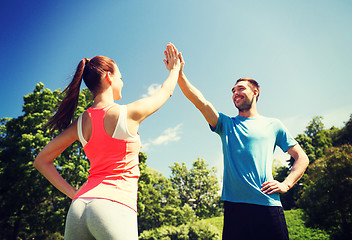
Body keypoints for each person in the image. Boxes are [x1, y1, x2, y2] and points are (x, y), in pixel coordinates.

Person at [33, 43, 181, 239]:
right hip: (113, 206)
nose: (122, 82)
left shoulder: (80, 123)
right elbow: (165, 92)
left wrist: (76, 194)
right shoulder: (127, 114)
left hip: (78, 209)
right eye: (121, 77)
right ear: (109, 76)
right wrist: (175, 69)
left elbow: (41, 161)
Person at [170, 49, 309, 240]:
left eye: (241, 89)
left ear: (255, 91)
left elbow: (302, 157)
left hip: (268, 206)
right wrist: (179, 74)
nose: (236, 93)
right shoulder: (226, 124)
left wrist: (286, 184)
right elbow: (201, 102)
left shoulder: (274, 125)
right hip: (235, 210)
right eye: (233, 91)